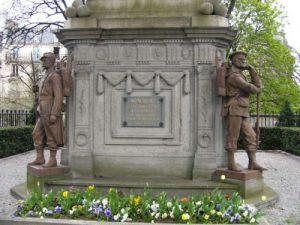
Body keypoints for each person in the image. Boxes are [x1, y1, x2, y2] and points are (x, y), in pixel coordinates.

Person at [222, 51, 266, 172]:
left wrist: (251, 69)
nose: (244, 62)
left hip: (242, 109)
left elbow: (256, 86)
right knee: (233, 137)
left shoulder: (241, 74)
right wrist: (257, 88)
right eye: (241, 59)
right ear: (234, 61)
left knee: (251, 136)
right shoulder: (234, 76)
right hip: (234, 109)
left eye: (244, 60)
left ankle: (252, 162)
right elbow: (250, 87)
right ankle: (231, 164)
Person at [28, 52, 64, 168]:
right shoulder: (45, 75)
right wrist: (37, 89)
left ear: (52, 61)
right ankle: (40, 157)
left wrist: (54, 113)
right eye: (43, 60)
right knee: (36, 133)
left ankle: (52, 159)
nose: (43, 62)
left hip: (49, 107)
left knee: (51, 135)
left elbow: (58, 96)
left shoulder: (54, 76)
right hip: (42, 108)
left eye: (46, 60)